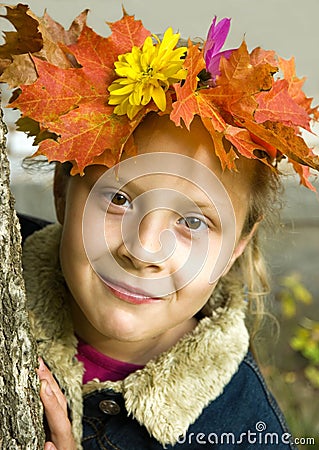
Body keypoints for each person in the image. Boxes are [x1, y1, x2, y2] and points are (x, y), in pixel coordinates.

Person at [1, 4, 318, 449]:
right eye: (118, 198)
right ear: (62, 192)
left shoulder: (248, 432)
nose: (144, 247)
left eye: (192, 221)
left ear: (237, 246)